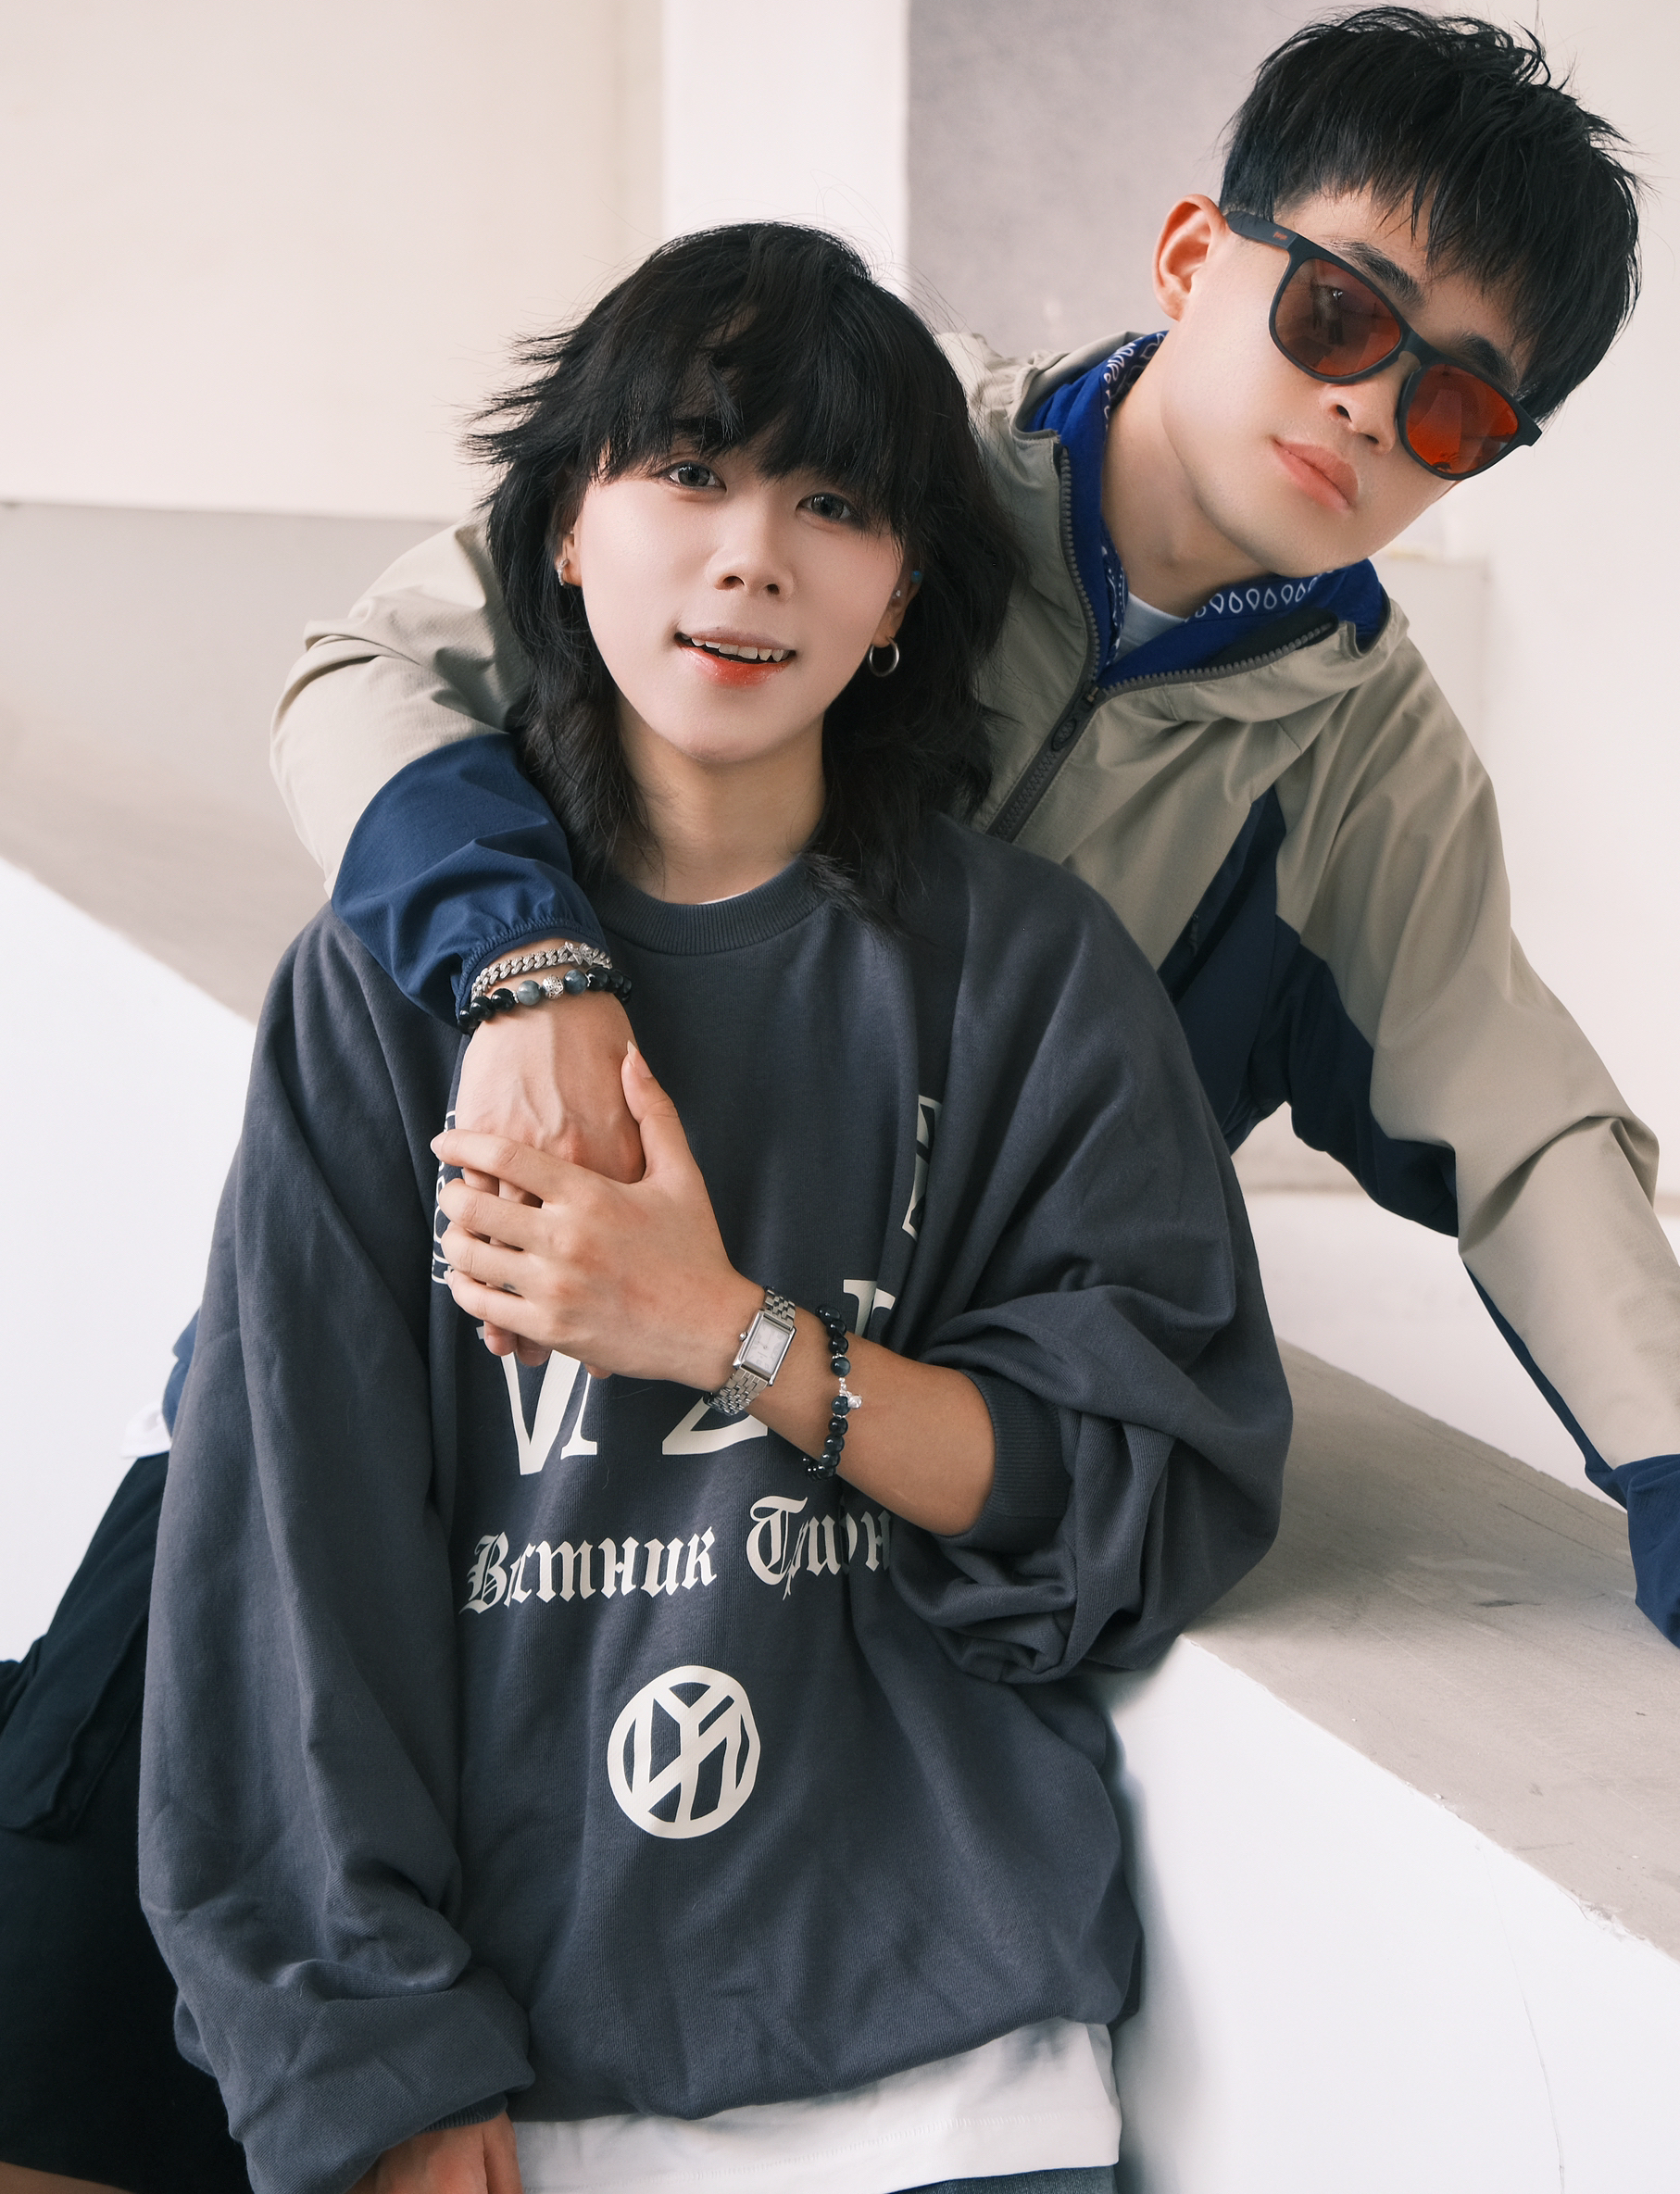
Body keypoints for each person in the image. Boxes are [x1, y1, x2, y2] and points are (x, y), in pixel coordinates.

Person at [263, 8, 1680, 1740]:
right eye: (1338, 313)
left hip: (830, 1458)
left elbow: (1526, 1136)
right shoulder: (864, 453)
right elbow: (374, 673)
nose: (1366, 406)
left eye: (1450, 404)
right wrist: (530, 973)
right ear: (1195, 255)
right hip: (492, 1332)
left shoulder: (1360, 760)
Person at [136, 223, 1290, 2194]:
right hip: (520, 2093)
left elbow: (1129, 1489)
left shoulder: (1027, 971)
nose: (752, 557)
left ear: (901, 590)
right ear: (563, 531)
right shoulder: (383, 991)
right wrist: (375, 2062)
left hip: (955, 2071)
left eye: (832, 504)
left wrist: (717, 1333)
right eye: (688, 469)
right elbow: (291, 1571)